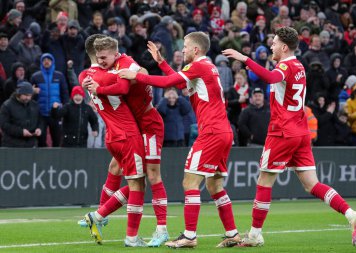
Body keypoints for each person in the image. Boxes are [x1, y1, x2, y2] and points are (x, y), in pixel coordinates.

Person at [222, 26, 356, 247]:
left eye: (275, 42)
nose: (271, 45)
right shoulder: (299, 65)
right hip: (300, 131)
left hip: (283, 131)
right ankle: (350, 214)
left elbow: (270, 77)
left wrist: (245, 59)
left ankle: (254, 235)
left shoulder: (285, 65)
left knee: (264, 181)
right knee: (312, 184)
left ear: (284, 46)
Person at [119, 32, 241, 248]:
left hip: (211, 132)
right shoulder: (205, 67)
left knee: (190, 182)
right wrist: (162, 62)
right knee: (215, 185)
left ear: (196, 49)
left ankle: (190, 236)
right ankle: (232, 233)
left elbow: (168, 81)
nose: (182, 50)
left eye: (185, 46)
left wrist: (136, 76)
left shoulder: (199, 66)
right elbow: (176, 81)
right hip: (223, 131)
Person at [82, 35, 170, 247]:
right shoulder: (108, 69)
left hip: (148, 125)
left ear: (115, 54)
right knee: (120, 170)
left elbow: (139, 76)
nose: (101, 61)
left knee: (151, 175)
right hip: (132, 129)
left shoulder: (126, 63)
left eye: (104, 57)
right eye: (98, 58)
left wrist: (139, 73)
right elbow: (93, 74)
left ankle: (161, 228)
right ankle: (100, 216)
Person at [30, 53, 69, 147]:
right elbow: (29, 95)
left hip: (55, 113)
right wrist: (33, 92)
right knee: (41, 140)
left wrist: (64, 110)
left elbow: (65, 93)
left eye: (49, 60)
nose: (46, 62)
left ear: (52, 62)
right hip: (41, 114)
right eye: (44, 60)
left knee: (57, 139)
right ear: (41, 62)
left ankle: (56, 160)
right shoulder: (35, 76)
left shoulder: (59, 76)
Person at [0, 81, 42, 147]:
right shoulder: (7, 105)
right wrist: (21, 132)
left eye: (30, 95)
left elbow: (40, 120)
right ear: (18, 94)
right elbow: (4, 125)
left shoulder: (34, 105)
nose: (28, 98)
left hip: (31, 144)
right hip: (12, 145)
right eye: (25, 95)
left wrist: (39, 128)